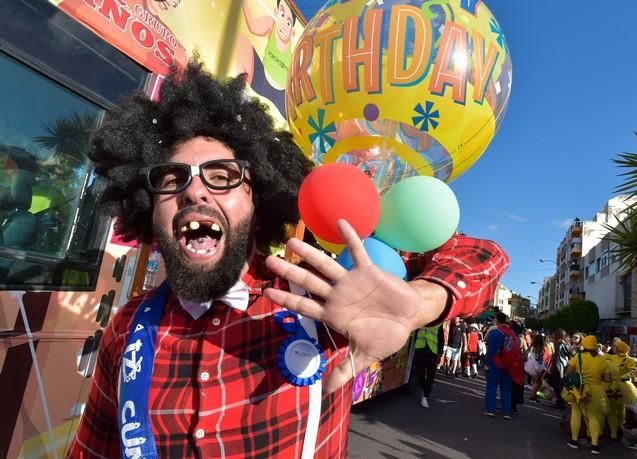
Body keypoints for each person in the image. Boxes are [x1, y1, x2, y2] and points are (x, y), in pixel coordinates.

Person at [66, 61, 509, 457]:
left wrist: (421, 302)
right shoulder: (127, 327)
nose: (194, 191)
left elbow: (481, 255)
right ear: (148, 205)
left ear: (259, 202)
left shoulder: (322, 298)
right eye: (172, 178)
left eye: (222, 177)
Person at [564, 335, 611, 455]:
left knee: (576, 414)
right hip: (596, 390)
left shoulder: (578, 356)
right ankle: (594, 445)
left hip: (579, 389)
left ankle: (574, 441)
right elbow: (608, 378)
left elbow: (569, 371)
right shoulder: (602, 360)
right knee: (593, 417)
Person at [484, 312, 522, 420]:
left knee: (492, 386)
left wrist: (487, 364)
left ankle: (490, 410)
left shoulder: (495, 332)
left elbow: (490, 350)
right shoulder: (512, 334)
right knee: (506, 389)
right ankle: (507, 412)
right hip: (508, 363)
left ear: (496, 320)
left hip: (495, 361)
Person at [414, 325, 445, 408]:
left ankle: (425, 396)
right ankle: (425, 388)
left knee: (430, 376)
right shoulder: (423, 319)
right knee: (419, 373)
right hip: (420, 349)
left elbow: (441, 339)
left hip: (432, 352)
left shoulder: (439, 323)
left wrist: (440, 354)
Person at [545, 328, 570, 409]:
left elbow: (569, 354)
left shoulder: (563, 344)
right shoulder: (558, 343)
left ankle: (561, 402)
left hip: (560, 368)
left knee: (558, 385)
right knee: (555, 384)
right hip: (556, 366)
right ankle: (559, 402)